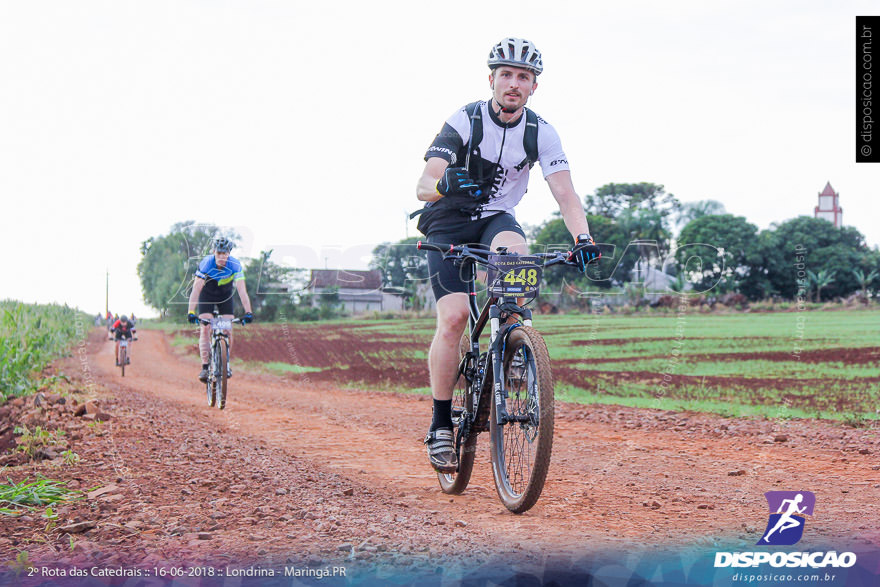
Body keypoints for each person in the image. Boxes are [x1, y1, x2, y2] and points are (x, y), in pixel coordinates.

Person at [414, 37, 601, 473]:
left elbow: (566, 194)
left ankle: (515, 346)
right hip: (447, 222)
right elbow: (423, 184)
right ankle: (442, 424)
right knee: (455, 317)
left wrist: (583, 239)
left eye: (524, 77)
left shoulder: (541, 132)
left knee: (516, 258)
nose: (514, 84)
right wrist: (447, 185)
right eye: (506, 75)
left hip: (496, 217)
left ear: (534, 86)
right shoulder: (465, 120)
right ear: (492, 79)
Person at [186, 237, 254, 382]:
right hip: (207, 294)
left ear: (229, 254)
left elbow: (242, 291)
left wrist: (248, 312)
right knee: (205, 327)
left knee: (228, 329)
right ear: (214, 252)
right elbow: (196, 289)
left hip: (225, 295)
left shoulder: (235, 265)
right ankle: (205, 367)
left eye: (225, 254)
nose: (222, 257)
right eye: (219, 253)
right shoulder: (206, 263)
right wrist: (191, 311)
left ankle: (226, 364)